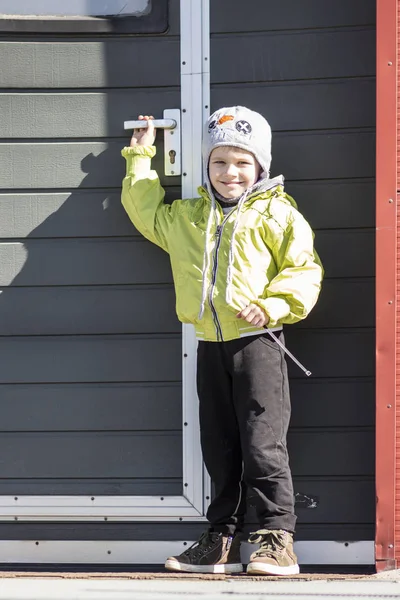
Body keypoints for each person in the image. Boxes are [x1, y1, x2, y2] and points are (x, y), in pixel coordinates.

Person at [121, 106, 323, 576]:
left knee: (262, 443)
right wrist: (140, 158)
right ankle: (222, 538)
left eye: (241, 162)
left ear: (260, 167)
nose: (230, 173)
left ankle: (277, 538)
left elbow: (305, 269)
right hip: (209, 344)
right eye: (219, 162)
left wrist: (272, 305)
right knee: (219, 443)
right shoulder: (189, 216)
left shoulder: (277, 214)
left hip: (259, 343)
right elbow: (146, 212)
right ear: (207, 166)